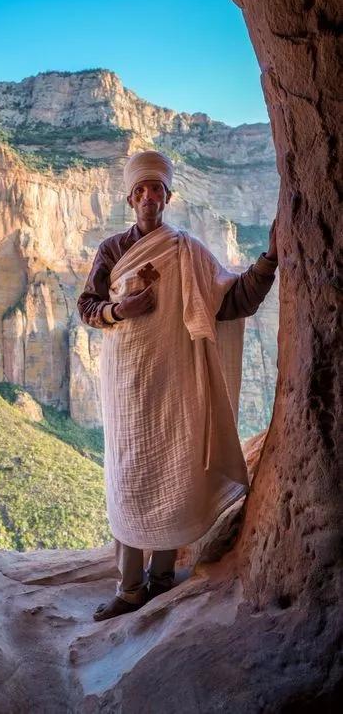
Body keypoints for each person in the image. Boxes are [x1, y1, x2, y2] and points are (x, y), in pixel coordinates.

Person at [77, 150, 278, 622]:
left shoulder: (187, 250)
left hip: (175, 383)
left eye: (158, 190)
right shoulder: (111, 250)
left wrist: (269, 260)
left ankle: (161, 581)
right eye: (142, 190)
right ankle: (129, 588)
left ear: (169, 196)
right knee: (127, 477)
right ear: (130, 197)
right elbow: (86, 306)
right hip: (126, 385)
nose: (150, 197)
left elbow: (232, 301)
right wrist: (118, 311)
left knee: (173, 469)